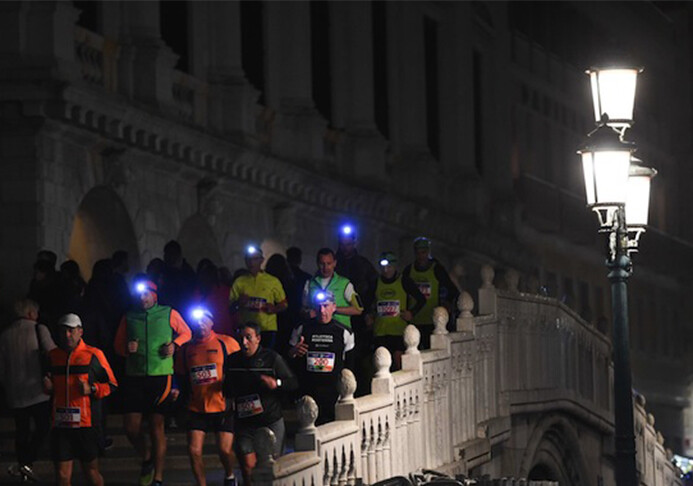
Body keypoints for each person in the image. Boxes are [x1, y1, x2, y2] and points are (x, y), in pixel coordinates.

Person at [114, 279, 192, 486]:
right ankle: (146, 456)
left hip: (161, 375)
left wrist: (175, 344)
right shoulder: (129, 316)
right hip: (135, 376)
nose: (142, 298)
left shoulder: (168, 313)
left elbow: (187, 332)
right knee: (131, 428)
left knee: (157, 426)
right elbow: (117, 346)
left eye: (146, 294)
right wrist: (126, 349)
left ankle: (158, 477)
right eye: (139, 295)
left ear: (154, 295)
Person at [44, 313, 117, 486]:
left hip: (86, 424)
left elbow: (112, 384)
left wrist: (92, 389)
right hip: (61, 424)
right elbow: (49, 383)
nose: (67, 335)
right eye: (63, 331)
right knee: (62, 475)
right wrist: (48, 387)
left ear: (80, 332)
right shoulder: (53, 356)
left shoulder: (93, 354)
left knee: (91, 472)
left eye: (71, 331)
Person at [223, 322, 297, 485]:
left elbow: (292, 383)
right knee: (248, 467)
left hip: (270, 420)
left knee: (273, 467)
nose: (244, 342)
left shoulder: (272, 358)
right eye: (241, 338)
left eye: (248, 338)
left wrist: (276, 383)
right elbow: (227, 388)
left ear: (258, 338)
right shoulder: (232, 361)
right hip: (245, 423)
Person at [174, 308, 240, 486]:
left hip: (222, 405)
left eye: (204, 320)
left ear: (212, 322)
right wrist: (176, 390)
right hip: (197, 407)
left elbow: (240, 367)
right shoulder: (186, 349)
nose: (200, 324)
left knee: (224, 450)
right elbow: (180, 374)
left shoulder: (226, 342)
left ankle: (230, 475)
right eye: (197, 321)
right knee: (194, 451)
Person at [0, 299, 56, 482]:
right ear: (31, 313)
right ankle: (27, 462)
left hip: (15, 391)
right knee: (43, 426)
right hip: (37, 389)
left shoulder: (5, 335)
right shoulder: (39, 329)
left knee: (21, 430)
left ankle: (23, 463)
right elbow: (52, 353)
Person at [288, 290, 354, 425]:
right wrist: (294, 351)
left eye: (326, 306)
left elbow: (350, 363)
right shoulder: (301, 328)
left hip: (332, 391)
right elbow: (287, 357)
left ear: (333, 307)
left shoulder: (344, 332)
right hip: (308, 389)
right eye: (318, 306)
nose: (322, 310)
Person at [369, 252, 426, 370]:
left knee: (398, 363)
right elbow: (366, 302)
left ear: (395, 266)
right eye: (383, 267)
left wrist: (412, 313)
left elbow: (421, 299)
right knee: (381, 365)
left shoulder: (404, 281)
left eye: (389, 267)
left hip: (399, 332)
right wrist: (368, 315)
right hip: (380, 332)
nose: (386, 270)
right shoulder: (375, 282)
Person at [402, 237, 460, 349]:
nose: (421, 256)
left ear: (428, 252)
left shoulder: (437, 269)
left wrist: (446, 304)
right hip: (415, 320)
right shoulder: (409, 270)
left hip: (433, 321)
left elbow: (452, 290)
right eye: (418, 253)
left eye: (423, 252)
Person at [229, 246, 288, 349]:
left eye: (255, 259)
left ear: (261, 260)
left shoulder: (272, 281)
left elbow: (284, 304)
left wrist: (274, 308)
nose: (251, 263)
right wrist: (239, 303)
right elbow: (230, 308)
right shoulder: (239, 282)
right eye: (249, 259)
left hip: (267, 329)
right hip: (246, 328)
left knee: (266, 356)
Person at [302, 248, 363, 332]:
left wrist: (333, 309)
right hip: (316, 331)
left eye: (329, 263)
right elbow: (303, 308)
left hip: (340, 331)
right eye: (322, 264)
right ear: (317, 263)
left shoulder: (344, 284)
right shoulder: (310, 284)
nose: (325, 267)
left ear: (335, 263)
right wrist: (308, 313)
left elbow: (358, 310)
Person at [159, 240, 197, 312]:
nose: (167, 257)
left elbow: (191, 291)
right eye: (166, 254)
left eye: (170, 254)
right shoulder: (163, 272)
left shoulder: (187, 272)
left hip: (185, 309)